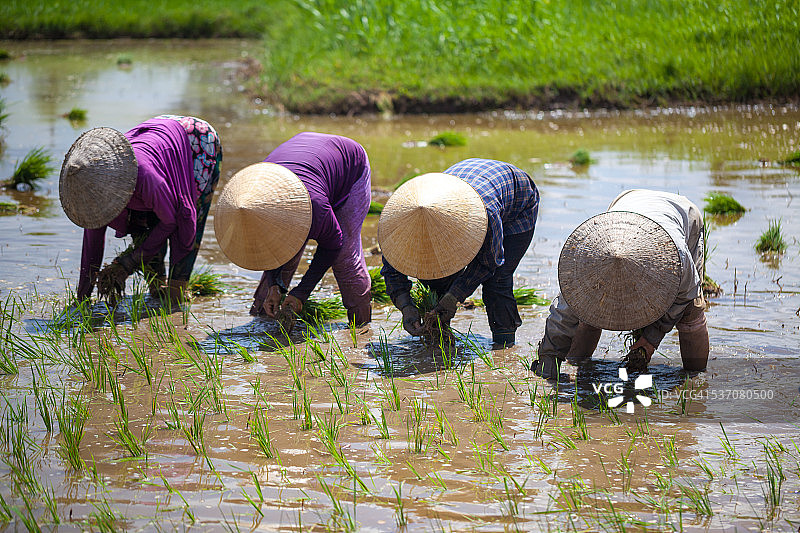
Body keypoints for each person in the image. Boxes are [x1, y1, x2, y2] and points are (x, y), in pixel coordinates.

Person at [532, 189, 709, 379]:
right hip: (626, 205)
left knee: (690, 315)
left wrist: (651, 339)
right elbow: (562, 316)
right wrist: (548, 360)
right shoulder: (585, 262)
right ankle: (577, 364)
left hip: (682, 215)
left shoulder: (676, 258)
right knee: (588, 312)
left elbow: (684, 296)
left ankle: (696, 379)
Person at [214, 132, 372, 329]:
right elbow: (269, 248)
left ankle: (361, 326)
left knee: (345, 258)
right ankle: (263, 318)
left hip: (350, 166)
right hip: (306, 161)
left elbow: (333, 245)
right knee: (285, 254)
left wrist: (301, 293)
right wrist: (274, 285)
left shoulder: (315, 207)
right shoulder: (254, 195)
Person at [60, 115, 222, 303]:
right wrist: (83, 298)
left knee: (184, 214)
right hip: (156, 142)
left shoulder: (144, 176)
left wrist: (129, 263)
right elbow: (92, 245)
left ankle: (177, 291)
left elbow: (171, 220)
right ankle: (157, 287)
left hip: (196, 141)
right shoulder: (92, 192)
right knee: (141, 223)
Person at [379, 158, 539, 348]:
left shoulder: (486, 214)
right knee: (435, 275)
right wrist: (406, 306)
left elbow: (489, 262)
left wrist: (454, 296)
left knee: (497, 281)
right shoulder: (399, 221)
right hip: (466, 181)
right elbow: (392, 268)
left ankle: (504, 346)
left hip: (518, 201)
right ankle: (437, 336)